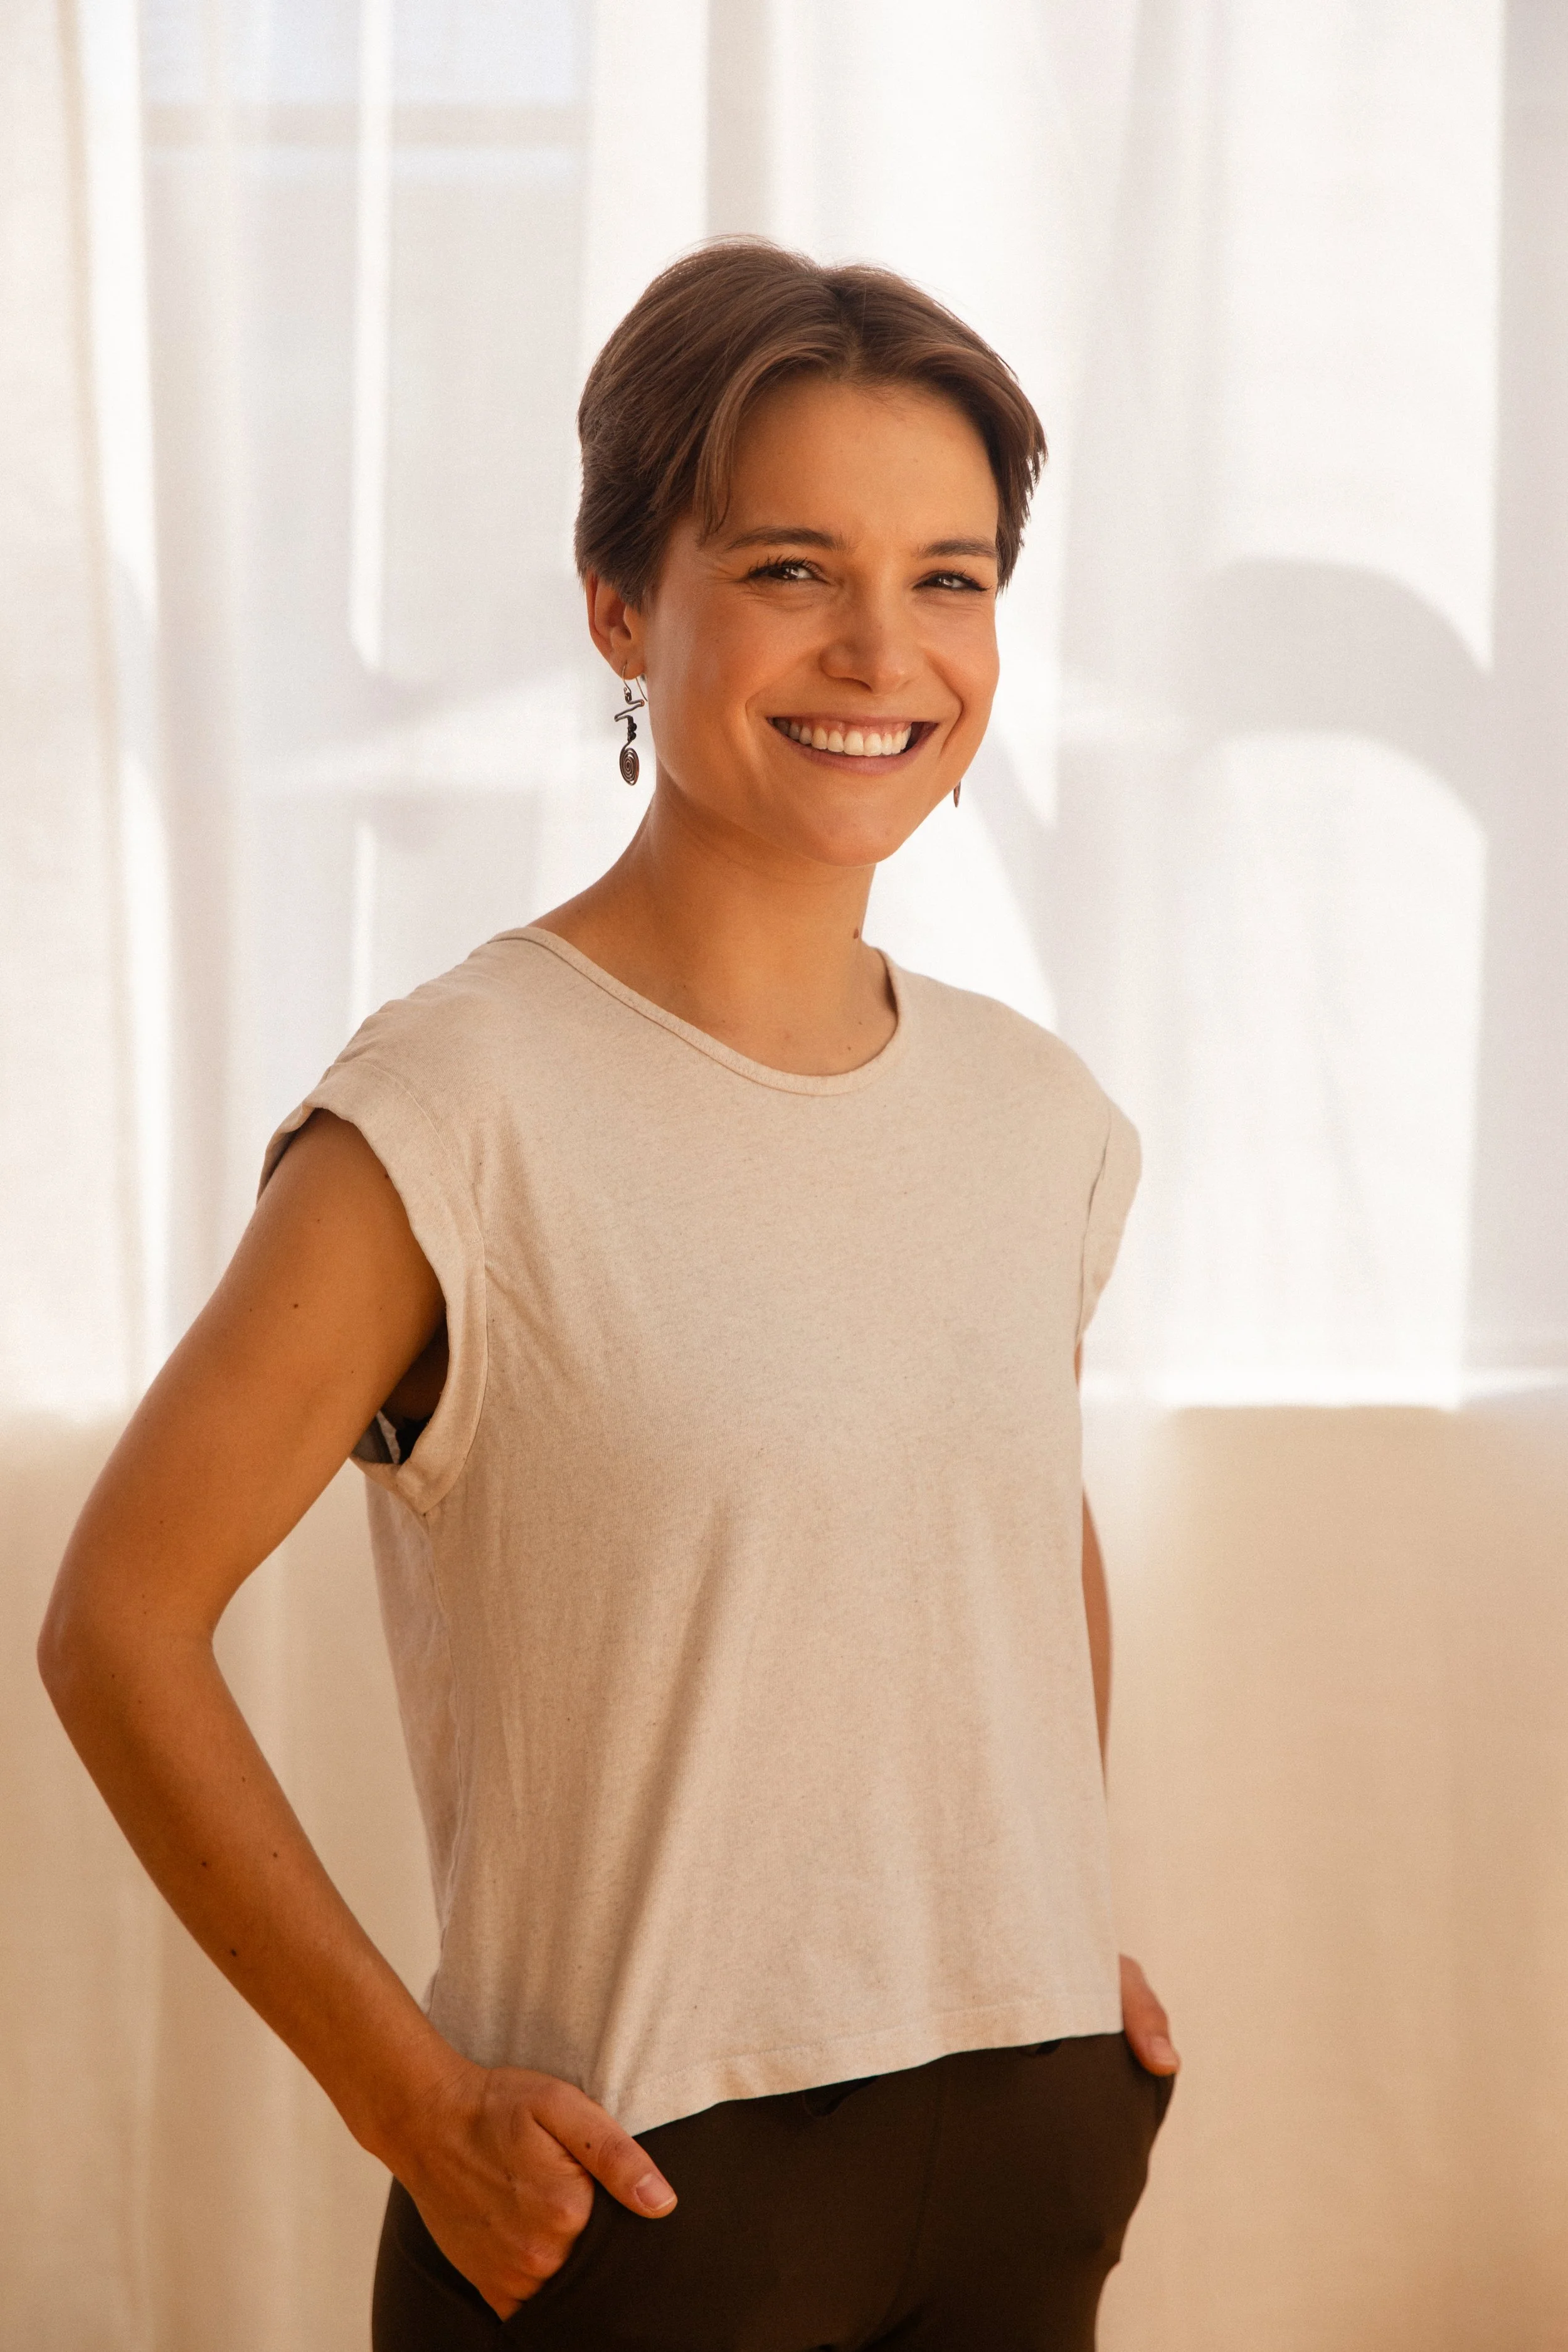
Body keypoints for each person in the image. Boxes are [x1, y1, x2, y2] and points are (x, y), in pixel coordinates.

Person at [40, 240, 1178, 2350]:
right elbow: (115, 1623)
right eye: (786, 567)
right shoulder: (455, 1111)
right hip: (640, 2211)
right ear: (618, 604)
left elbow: (1009, 1530)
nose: (881, 646)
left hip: (1027, 2152)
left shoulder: (1041, 1120)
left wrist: (1047, 1932)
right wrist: (411, 2101)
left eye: (948, 575)